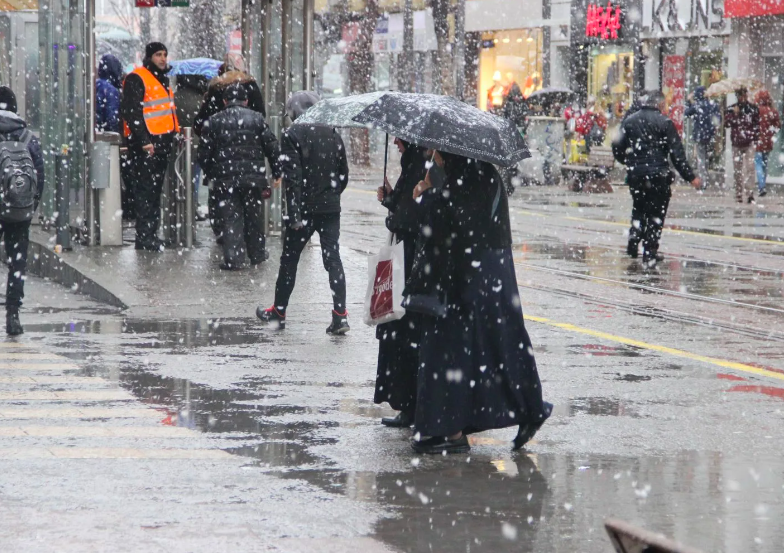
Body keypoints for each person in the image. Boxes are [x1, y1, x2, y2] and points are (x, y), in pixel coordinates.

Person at [404, 151, 551, 454]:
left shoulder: (466, 179)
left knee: (459, 347)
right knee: (497, 343)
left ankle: (451, 430)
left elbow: (448, 223)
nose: (433, 156)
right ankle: (523, 410)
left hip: (470, 275)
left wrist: (426, 194)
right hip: (486, 272)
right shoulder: (481, 174)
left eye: (437, 152)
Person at [256, 91, 350, 335]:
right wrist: (331, 195)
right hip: (330, 209)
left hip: (305, 210)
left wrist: (295, 215)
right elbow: (343, 175)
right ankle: (340, 315)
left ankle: (279, 312)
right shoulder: (333, 134)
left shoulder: (293, 134)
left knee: (289, 261)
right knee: (333, 259)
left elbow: (293, 179)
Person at [373, 138, 428, 428]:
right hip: (410, 260)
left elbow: (412, 217)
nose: (394, 141)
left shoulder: (419, 164)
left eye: (399, 137)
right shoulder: (416, 163)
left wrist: (394, 215)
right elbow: (408, 207)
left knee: (403, 331)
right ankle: (409, 404)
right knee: (403, 331)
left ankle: (409, 405)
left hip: (410, 262)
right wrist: (392, 199)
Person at [198, 83, 282, 270]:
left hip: (225, 180)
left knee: (231, 217)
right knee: (254, 217)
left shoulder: (214, 121)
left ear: (225, 101)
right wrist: (277, 172)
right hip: (253, 179)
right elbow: (272, 146)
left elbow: (203, 154)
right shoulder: (257, 119)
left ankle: (234, 259)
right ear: (246, 100)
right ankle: (257, 254)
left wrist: (212, 172)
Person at [612, 91, 700, 267]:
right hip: (658, 175)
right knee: (656, 213)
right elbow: (677, 154)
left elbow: (617, 145)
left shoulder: (629, 121)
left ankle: (634, 237)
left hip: (636, 175)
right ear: (660, 105)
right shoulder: (665, 123)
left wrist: (629, 161)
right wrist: (690, 177)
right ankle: (650, 251)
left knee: (639, 206)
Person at [194, 54, 266, 243]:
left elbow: (200, 122)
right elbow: (262, 117)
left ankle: (225, 236)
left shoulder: (216, 88)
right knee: (250, 203)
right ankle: (251, 241)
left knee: (221, 199)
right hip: (249, 156)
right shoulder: (251, 86)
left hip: (221, 157)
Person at [120, 41, 180, 251]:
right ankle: (145, 237)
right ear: (149, 57)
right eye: (158, 55)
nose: (163, 59)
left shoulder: (161, 79)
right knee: (146, 192)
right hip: (147, 145)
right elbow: (132, 111)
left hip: (160, 143)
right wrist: (144, 140)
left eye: (164, 54)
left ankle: (150, 235)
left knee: (153, 193)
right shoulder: (138, 77)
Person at [0, 87, 44, 335]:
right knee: (17, 263)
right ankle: (13, 316)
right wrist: (29, 206)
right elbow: (40, 175)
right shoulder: (27, 136)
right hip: (19, 210)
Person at [725, 87, 760, 203]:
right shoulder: (731, 109)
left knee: (750, 168)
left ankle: (750, 193)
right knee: (737, 169)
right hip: (736, 143)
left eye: (744, 95)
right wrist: (735, 115)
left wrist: (755, 139)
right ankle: (738, 192)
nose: (743, 97)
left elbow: (756, 124)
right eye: (740, 95)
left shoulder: (753, 108)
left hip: (749, 142)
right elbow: (726, 124)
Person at [684, 86, 719, 190]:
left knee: (701, 158)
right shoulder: (713, 105)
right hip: (710, 135)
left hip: (699, 136)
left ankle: (703, 182)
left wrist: (689, 101)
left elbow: (686, 113)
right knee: (707, 158)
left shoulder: (697, 105)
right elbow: (717, 119)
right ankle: (706, 180)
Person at [754, 90, 780, 198]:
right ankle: (762, 185)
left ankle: (761, 186)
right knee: (764, 164)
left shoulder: (756, 111)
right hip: (767, 142)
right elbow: (778, 126)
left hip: (757, 142)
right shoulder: (772, 111)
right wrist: (770, 133)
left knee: (758, 164)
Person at [95, 54, 122, 134]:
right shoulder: (111, 90)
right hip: (104, 133)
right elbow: (112, 116)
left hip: (96, 131)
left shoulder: (95, 84)